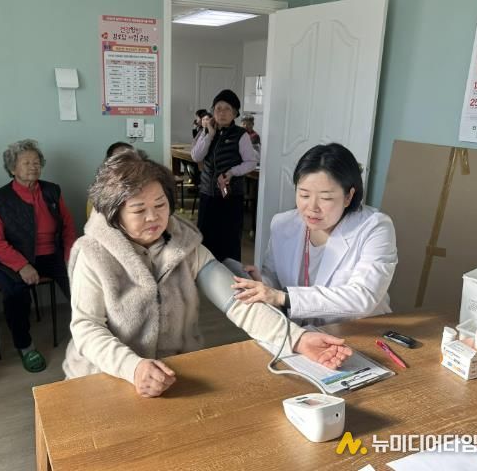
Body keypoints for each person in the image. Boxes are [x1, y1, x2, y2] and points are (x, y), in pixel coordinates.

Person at [63, 149, 352, 397]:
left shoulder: (184, 245)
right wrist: (133, 367)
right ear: (115, 214)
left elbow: (238, 301)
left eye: (160, 204)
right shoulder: (93, 253)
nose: (153, 217)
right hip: (103, 375)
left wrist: (298, 339)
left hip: (172, 372)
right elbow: (87, 327)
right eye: (139, 210)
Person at [232, 143, 398, 326]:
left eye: (325, 198)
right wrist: (262, 281)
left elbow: (362, 297)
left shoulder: (375, 227)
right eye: (304, 195)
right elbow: (274, 276)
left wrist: (282, 297)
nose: (312, 208)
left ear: (348, 196)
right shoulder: (282, 224)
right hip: (304, 333)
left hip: (359, 331)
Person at [0, 139, 76, 372]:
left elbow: (68, 226)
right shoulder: (1, 199)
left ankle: (91, 334)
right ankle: (25, 346)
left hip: (53, 254)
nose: (33, 166)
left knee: (82, 284)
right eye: (26, 163)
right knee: (15, 295)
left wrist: (70, 255)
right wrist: (22, 265)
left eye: (36, 162)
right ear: (12, 169)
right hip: (15, 258)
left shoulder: (52, 191)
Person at [191, 90, 259, 262]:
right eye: (218, 108)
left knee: (229, 239)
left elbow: (251, 162)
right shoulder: (206, 131)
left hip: (230, 197)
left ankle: (230, 273)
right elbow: (196, 156)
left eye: (227, 109)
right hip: (207, 194)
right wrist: (209, 135)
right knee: (205, 238)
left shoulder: (241, 134)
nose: (222, 113)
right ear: (213, 111)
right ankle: (206, 272)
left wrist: (232, 172)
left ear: (235, 113)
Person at [86, 141, 133, 218]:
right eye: (118, 160)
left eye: (130, 159)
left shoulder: (147, 186)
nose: (125, 164)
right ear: (109, 164)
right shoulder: (98, 193)